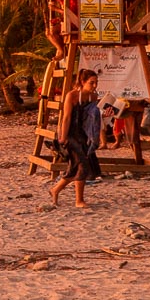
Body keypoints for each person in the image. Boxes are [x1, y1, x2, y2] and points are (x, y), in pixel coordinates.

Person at [50, 70, 101, 208]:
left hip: (84, 135)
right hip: (71, 134)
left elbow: (94, 118)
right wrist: (63, 138)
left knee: (76, 167)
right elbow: (66, 118)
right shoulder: (72, 96)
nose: (94, 85)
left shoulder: (93, 96)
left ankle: (56, 190)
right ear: (82, 82)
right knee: (82, 165)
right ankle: (79, 200)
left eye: (96, 82)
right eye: (91, 83)